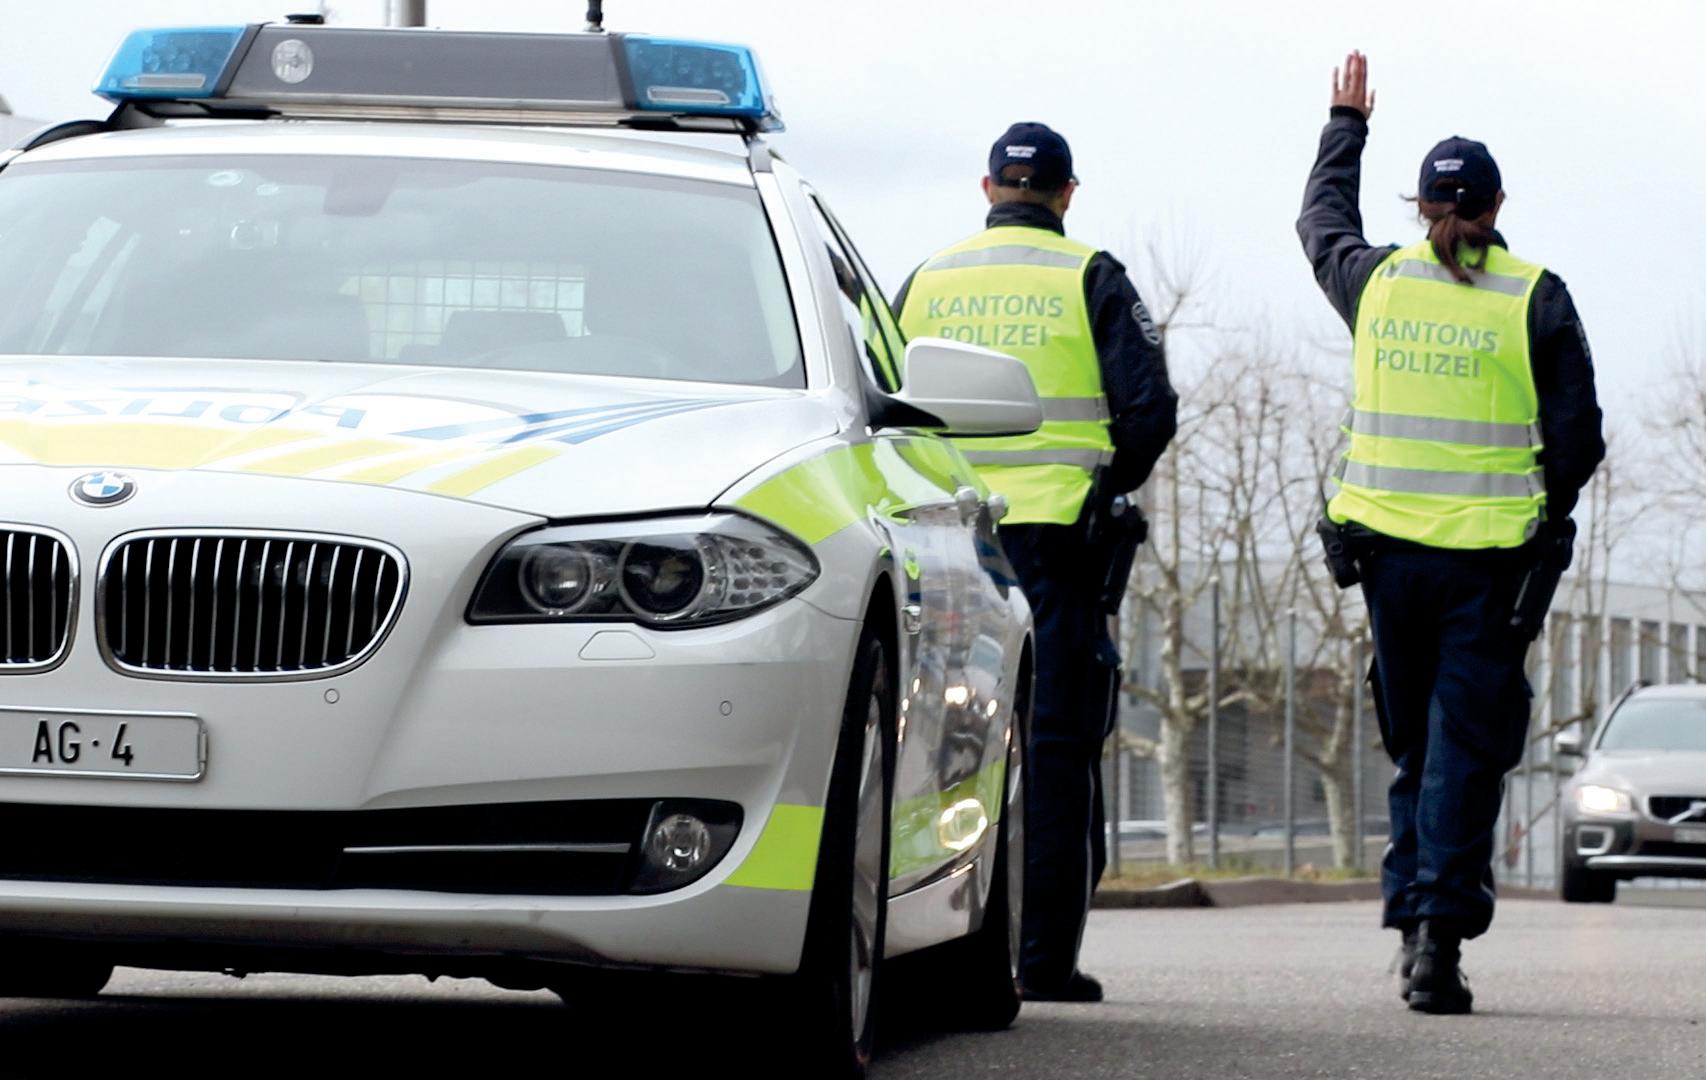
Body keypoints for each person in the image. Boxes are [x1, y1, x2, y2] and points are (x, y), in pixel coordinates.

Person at [1298, 52, 1604, 1014]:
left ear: (1420, 205)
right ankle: (1436, 937)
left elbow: (1320, 224)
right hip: (1490, 568)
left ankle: (1416, 922)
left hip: (1386, 563)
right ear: (1499, 203)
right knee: (1463, 751)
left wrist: (1345, 125)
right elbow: (1579, 440)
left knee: (1420, 752)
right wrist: (1534, 507)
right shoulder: (1535, 295)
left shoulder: (1376, 283)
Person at [896, 122, 1178, 1003]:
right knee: (1053, 749)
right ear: (1066, 194)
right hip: (1054, 548)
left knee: (930, 749)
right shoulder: (1092, 276)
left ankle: (921, 952)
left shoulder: (924, 280)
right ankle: (1043, 961)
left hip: (943, 546)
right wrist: (1100, 489)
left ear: (988, 191)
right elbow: (1150, 412)